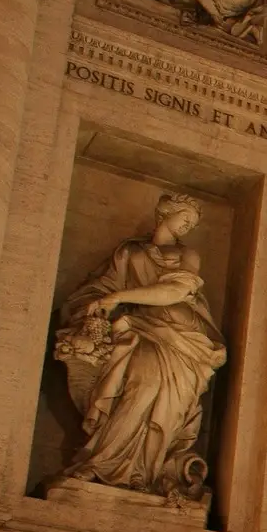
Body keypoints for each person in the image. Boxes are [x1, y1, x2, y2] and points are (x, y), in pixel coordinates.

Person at [55, 193, 226, 498]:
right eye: (184, 217)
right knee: (142, 384)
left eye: (193, 223)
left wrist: (121, 298)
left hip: (183, 339)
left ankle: (144, 472)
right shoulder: (129, 251)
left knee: (167, 401)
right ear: (164, 213)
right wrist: (96, 307)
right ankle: (104, 463)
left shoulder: (188, 255)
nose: (188, 225)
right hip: (139, 330)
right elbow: (101, 287)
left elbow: (176, 289)